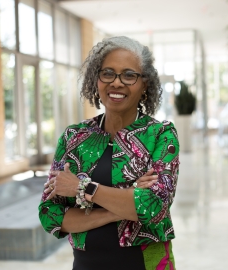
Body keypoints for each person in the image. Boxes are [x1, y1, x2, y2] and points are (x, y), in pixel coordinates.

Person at [38, 36, 180, 270]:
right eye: (108, 73)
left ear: (144, 84)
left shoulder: (161, 134)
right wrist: (123, 205)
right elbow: (49, 214)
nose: (117, 82)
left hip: (145, 264)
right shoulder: (74, 137)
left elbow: (154, 207)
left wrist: (81, 188)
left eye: (129, 75)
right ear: (97, 79)